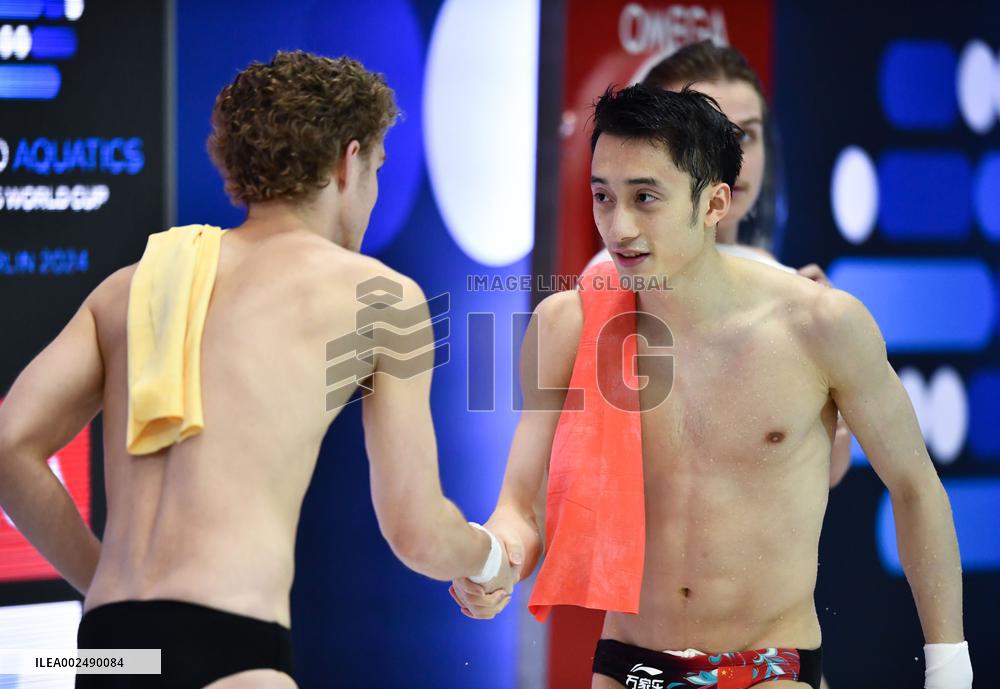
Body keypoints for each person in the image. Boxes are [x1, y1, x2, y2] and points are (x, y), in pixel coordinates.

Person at [0, 51, 513, 689]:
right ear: (348, 162)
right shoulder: (380, 296)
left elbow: (10, 447)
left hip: (108, 649)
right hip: (232, 650)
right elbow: (417, 532)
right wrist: (490, 558)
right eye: (377, 170)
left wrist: (106, 583)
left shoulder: (129, 287)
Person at [451, 85, 971, 689]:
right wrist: (494, 561)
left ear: (714, 203)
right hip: (630, 661)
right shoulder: (566, 327)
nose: (618, 227)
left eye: (645, 198)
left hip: (770, 664)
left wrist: (949, 667)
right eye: (603, 197)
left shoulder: (819, 326)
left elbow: (914, 487)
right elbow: (520, 508)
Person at [587, 41, 852, 488]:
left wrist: (831, 378)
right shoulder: (617, 279)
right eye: (704, 136)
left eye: (745, 136)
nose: (732, 158)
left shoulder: (792, 288)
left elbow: (820, 476)